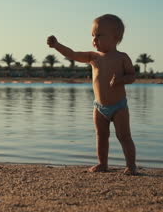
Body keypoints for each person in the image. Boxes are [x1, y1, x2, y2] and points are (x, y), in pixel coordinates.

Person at [47, 14, 137, 175]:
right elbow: (72, 54)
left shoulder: (122, 58)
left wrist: (121, 80)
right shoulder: (93, 57)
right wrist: (57, 45)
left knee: (124, 136)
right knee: (101, 136)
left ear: (116, 37)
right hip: (99, 106)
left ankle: (131, 166)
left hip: (119, 106)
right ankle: (102, 163)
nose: (94, 39)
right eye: (93, 36)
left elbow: (132, 76)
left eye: (99, 35)